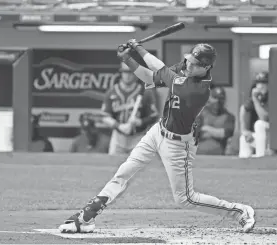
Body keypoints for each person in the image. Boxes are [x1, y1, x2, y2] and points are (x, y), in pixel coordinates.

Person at [58, 42, 255, 234]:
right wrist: (128, 59)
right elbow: (151, 77)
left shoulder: (199, 90)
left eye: (195, 64)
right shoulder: (186, 67)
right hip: (157, 131)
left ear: (207, 67)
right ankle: (87, 217)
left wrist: (138, 49)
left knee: (185, 198)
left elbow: (160, 70)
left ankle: (239, 211)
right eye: (189, 60)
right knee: (124, 171)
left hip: (178, 144)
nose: (188, 65)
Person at [101, 61, 159, 155]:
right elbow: (105, 117)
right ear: (121, 73)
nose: (127, 75)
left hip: (138, 137)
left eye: (130, 72)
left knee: (138, 168)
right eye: (125, 72)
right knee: (113, 167)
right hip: (118, 137)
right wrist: (118, 126)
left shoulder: (145, 93)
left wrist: (140, 122)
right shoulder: (111, 92)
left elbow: (153, 116)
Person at [239, 71, 270, 158]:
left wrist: (255, 100)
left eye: (264, 82)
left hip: (273, 137)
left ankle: (261, 156)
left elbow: (265, 118)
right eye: (258, 82)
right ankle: (245, 168)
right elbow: (243, 109)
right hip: (265, 138)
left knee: (259, 124)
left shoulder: (273, 97)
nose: (261, 85)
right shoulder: (258, 97)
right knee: (244, 139)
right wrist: (244, 130)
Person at [196, 86, 235, 155]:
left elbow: (226, 133)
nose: (217, 101)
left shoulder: (229, 116)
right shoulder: (201, 113)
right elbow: (195, 133)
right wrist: (216, 132)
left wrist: (206, 128)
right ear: (209, 98)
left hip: (218, 152)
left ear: (224, 100)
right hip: (198, 151)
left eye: (220, 98)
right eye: (215, 98)